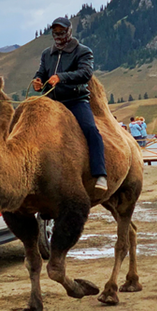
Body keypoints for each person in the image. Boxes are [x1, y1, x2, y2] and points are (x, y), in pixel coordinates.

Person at [32, 17, 107, 191]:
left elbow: (85, 73)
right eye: (55, 32)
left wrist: (62, 77)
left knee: (91, 130)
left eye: (61, 31)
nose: (58, 35)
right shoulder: (46, 54)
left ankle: (100, 174)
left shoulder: (82, 51)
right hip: (51, 102)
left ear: (69, 32)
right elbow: (41, 73)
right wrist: (37, 81)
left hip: (75, 101)